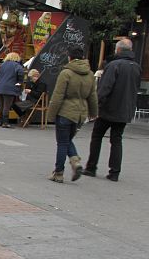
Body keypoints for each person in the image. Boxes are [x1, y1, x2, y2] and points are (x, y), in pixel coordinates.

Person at [82, 39, 142, 182]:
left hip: (109, 109)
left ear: (118, 50)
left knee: (97, 136)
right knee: (117, 139)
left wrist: (95, 107)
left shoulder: (114, 65)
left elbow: (104, 89)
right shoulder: (136, 67)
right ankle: (114, 172)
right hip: (125, 109)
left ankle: (91, 167)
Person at [46, 46, 97, 183]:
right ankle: (75, 161)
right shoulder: (90, 74)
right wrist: (93, 113)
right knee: (67, 140)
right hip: (80, 113)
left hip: (65, 111)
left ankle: (59, 172)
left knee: (62, 142)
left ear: (69, 57)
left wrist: (50, 115)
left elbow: (58, 96)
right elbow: (92, 96)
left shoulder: (66, 73)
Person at [0, 52, 24, 128]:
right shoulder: (17, 66)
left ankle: (0, 121)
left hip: (0, 86)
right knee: (7, 106)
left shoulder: (2, 65)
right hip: (10, 87)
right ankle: (5, 122)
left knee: (1, 104)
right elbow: (21, 74)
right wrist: (19, 83)